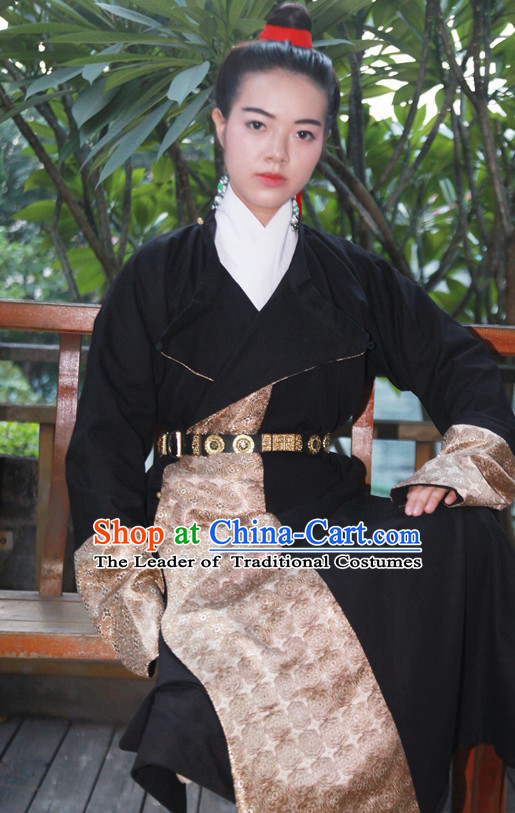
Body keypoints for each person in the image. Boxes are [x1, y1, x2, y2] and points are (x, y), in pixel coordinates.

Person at [66, 4, 515, 812]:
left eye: (303, 133)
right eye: (257, 124)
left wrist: (454, 468)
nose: (278, 151)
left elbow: (460, 362)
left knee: (465, 536)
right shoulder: (158, 275)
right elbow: (104, 440)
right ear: (220, 125)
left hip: (332, 522)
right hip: (204, 530)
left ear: (322, 142)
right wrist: (126, 573)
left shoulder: (353, 276)